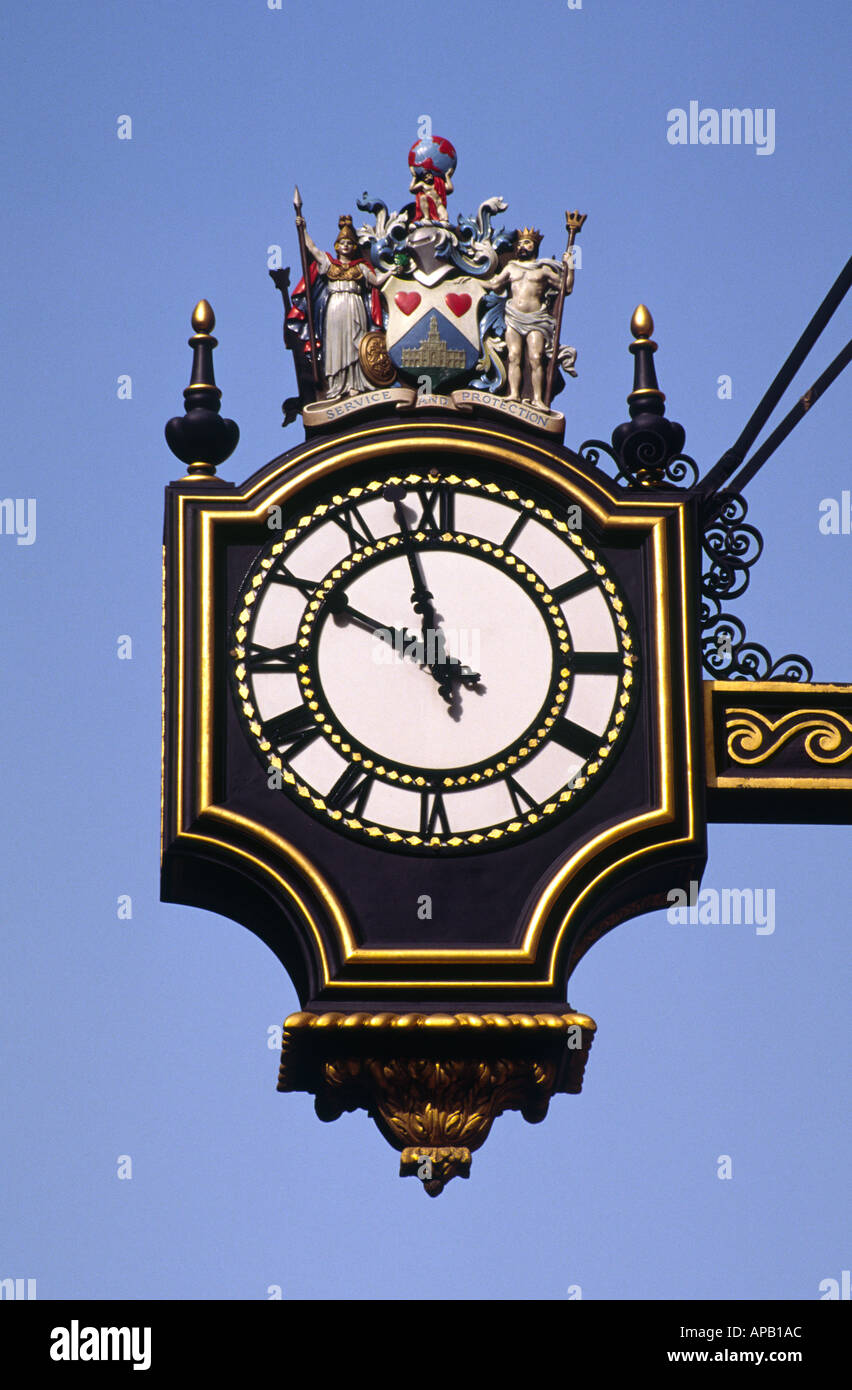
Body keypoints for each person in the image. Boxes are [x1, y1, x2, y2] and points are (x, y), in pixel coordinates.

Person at [299, 214, 393, 399]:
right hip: (335, 308)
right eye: (342, 243)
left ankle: (355, 384)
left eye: (349, 243)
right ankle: (336, 385)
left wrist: (392, 271)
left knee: (355, 343)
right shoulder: (328, 264)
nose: (346, 246)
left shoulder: (361, 267)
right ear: (337, 246)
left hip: (354, 306)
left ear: (354, 247)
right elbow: (311, 248)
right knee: (335, 343)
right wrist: (303, 229)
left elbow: (376, 281)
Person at [482, 228, 575, 410]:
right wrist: (470, 281)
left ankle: (538, 399)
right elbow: (494, 284)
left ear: (535, 246)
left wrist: (570, 265)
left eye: (527, 243)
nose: (523, 247)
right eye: (521, 244)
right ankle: (514, 394)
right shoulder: (511, 268)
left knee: (535, 357)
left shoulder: (543, 271)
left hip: (536, 319)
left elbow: (567, 288)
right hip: (514, 317)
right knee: (514, 355)